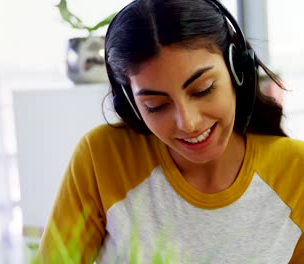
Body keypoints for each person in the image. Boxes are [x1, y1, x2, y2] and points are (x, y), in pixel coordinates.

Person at [36, 0, 304, 263]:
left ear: (238, 71)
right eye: (157, 106)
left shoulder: (295, 170)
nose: (187, 122)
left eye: (203, 89)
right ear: (131, 106)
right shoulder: (102, 158)